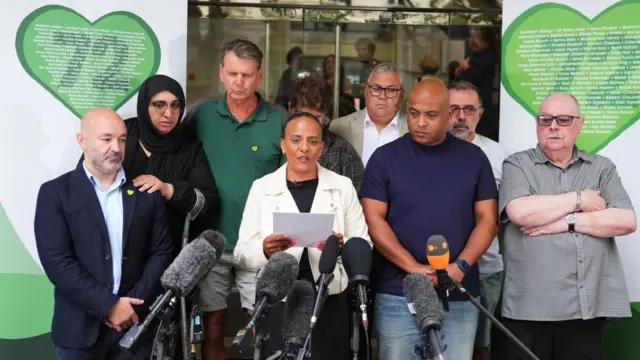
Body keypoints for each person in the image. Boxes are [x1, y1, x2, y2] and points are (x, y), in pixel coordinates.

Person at [360, 77, 498, 360]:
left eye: (431, 115)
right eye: (414, 113)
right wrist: (412, 267)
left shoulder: (475, 159)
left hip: (458, 291)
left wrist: (461, 265)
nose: (420, 121)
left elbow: (488, 220)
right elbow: (373, 219)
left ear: (448, 115)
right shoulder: (384, 158)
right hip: (398, 292)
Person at [499, 93, 637, 360]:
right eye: (545, 119)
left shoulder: (601, 168)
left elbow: (625, 220)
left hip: (584, 308)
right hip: (530, 308)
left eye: (563, 120)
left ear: (580, 124)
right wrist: (580, 199)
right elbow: (520, 211)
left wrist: (566, 222)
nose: (553, 126)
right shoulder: (518, 164)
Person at [34, 108, 173, 360]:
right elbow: (57, 262)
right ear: (82, 141)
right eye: (106, 139)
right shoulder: (55, 193)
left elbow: (160, 253)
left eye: (121, 139)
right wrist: (109, 306)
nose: (116, 148)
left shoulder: (145, 194)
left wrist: (130, 307)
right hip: (78, 332)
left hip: (134, 330)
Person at [234, 111, 372, 360]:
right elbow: (241, 252)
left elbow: (363, 243)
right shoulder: (262, 188)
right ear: (283, 144)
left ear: (322, 147)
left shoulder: (341, 187)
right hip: (279, 299)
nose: (303, 148)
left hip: (330, 297)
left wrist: (342, 246)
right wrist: (265, 249)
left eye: (312, 141)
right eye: (296, 140)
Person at [190, 38, 286, 360]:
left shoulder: (279, 121)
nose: (239, 82)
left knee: (260, 326)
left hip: (260, 242)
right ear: (221, 73)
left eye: (246, 75)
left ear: (259, 76)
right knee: (213, 327)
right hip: (212, 239)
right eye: (232, 74)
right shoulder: (201, 116)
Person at [120, 74, 218, 257]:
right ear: (144, 104)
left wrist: (169, 190)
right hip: (117, 249)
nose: (168, 114)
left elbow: (209, 202)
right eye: (159, 105)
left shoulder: (188, 148)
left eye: (175, 105)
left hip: (165, 253)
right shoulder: (122, 135)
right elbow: (88, 181)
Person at [446, 81, 506, 360]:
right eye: (453, 109)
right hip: (437, 267)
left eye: (469, 109)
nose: (461, 116)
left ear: (480, 113)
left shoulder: (498, 156)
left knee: (480, 347)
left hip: (485, 270)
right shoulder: (429, 150)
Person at [288, 74, 365, 191]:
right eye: (305, 116)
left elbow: (357, 200)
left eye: (317, 117)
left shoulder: (343, 151)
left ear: (325, 114)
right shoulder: (273, 145)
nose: (311, 124)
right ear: (291, 110)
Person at [330, 62, 408, 167]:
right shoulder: (340, 127)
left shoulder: (413, 129)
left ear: (401, 95)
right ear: (366, 92)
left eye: (391, 90)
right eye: (376, 88)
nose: (382, 96)